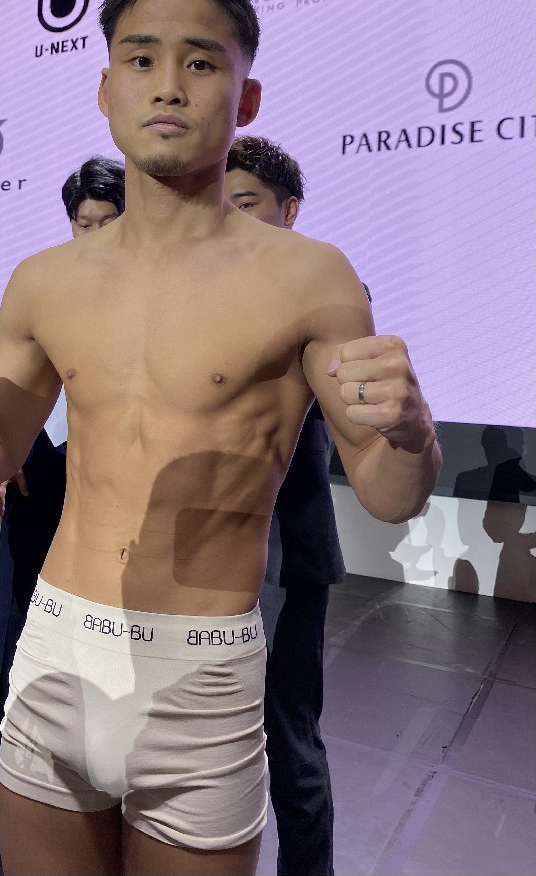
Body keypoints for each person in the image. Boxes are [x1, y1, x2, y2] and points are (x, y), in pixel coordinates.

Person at [0, 0, 441, 876]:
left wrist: (412, 431)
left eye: (201, 63)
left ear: (245, 99)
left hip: (201, 673)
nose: (168, 86)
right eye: (141, 58)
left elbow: (390, 495)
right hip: (57, 651)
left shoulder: (310, 279)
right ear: (105, 88)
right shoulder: (46, 281)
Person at [0, 156, 126, 847]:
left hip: (119, 490)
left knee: (108, 649)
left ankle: (100, 800)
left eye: (108, 222)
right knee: (11, 635)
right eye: (83, 223)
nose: (94, 235)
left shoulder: (158, 295)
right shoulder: (47, 289)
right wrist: (2, 453)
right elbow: (9, 390)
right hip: (42, 472)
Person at [226, 135, 363, 876]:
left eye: (246, 204)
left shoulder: (327, 294)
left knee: (288, 740)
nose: (231, 219)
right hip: (201, 560)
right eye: (222, 205)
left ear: (290, 211)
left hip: (287, 556)